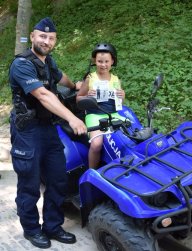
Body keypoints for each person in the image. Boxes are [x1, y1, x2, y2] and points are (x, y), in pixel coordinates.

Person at [9, 17, 87, 249]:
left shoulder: (48, 61)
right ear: (32, 37)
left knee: (58, 179)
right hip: (27, 131)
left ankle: (52, 226)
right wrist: (72, 117)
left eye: (51, 38)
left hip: (48, 129)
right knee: (29, 183)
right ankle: (31, 230)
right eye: (42, 36)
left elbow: (61, 77)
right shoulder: (22, 64)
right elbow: (44, 95)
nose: (46, 40)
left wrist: (75, 86)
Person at [76, 43, 125, 169]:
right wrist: (87, 96)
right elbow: (78, 98)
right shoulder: (90, 78)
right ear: (95, 61)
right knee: (97, 144)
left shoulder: (115, 79)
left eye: (106, 61)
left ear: (112, 61)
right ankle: (92, 170)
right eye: (100, 61)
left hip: (112, 114)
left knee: (126, 138)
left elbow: (120, 102)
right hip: (95, 115)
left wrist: (122, 95)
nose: (103, 65)